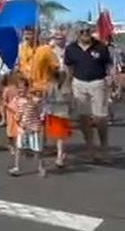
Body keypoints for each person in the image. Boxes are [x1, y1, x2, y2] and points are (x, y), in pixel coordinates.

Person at [64, 24, 114, 163]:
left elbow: (108, 65)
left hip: (98, 83)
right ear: (78, 33)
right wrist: (67, 87)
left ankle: (104, 148)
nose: (85, 33)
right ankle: (90, 148)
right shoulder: (71, 49)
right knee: (84, 118)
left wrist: (112, 80)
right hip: (79, 83)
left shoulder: (100, 47)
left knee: (100, 118)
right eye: (82, 31)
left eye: (88, 31)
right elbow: (69, 69)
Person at [20, 29, 67, 168]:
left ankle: (60, 154)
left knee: (56, 121)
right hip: (31, 90)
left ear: (37, 34)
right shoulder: (23, 49)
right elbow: (22, 68)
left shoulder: (45, 50)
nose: (28, 36)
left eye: (31, 33)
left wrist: (55, 85)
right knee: (34, 121)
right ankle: (40, 147)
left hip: (47, 90)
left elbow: (57, 68)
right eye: (26, 34)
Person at [8, 73, 47, 177]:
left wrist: (41, 118)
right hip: (22, 128)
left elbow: (41, 109)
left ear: (27, 88)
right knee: (19, 148)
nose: (20, 91)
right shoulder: (17, 100)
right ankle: (17, 167)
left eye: (22, 88)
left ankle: (41, 167)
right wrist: (17, 118)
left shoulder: (34, 100)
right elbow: (13, 110)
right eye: (18, 88)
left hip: (33, 128)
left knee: (37, 150)